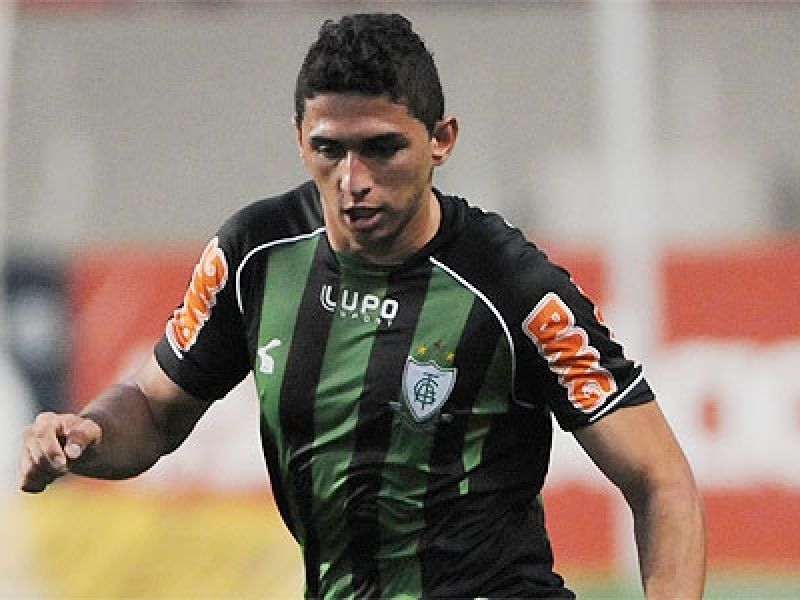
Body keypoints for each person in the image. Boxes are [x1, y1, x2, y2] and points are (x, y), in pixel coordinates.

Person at [18, 12, 706, 599]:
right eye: (330, 149)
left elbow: (660, 480)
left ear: (441, 140)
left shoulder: (512, 287)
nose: (353, 180)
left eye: (382, 149)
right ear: (299, 139)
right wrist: (88, 435)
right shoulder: (256, 254)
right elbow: (153, 408)